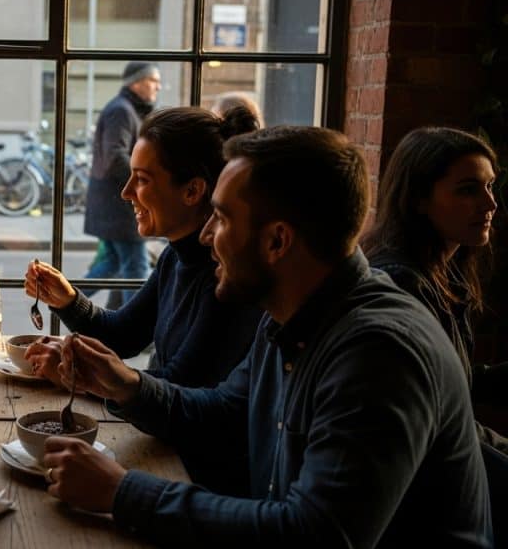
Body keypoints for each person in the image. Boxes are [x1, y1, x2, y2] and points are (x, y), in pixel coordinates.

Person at [42, 126, 492, 546]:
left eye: (221, 218)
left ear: (277, 241)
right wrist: (124, 384)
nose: (206, 235)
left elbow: (316, 533)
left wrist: (123, 492)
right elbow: (223, 412)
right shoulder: (288, 314)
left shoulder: (378, 352)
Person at [25, 106, 262, 388]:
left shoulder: (225, 277)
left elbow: (180, 386)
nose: (126, 192)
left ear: (192, 191)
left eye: (142, 179)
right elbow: (123, 335)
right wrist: (68, 300)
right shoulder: (174, 256)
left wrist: (81, 374)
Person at [362, 126, 505, 546]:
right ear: (419, 199)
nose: (490, 203)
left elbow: (454, 385)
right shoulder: (402, 283)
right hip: (427, 497)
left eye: (489, 186)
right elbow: (439, 419)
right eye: (468, 190)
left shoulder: (443, 272)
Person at [81, 61, 162, 308]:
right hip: (120, 207)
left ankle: (62, 300)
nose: (157, 87)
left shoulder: (127, 109)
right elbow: (115, 157)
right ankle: (135, 328)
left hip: (114, 205)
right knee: (136, 268)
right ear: (136, 83)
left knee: (113, 263)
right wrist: (146, 182)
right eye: (152, 81)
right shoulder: (122, 111)